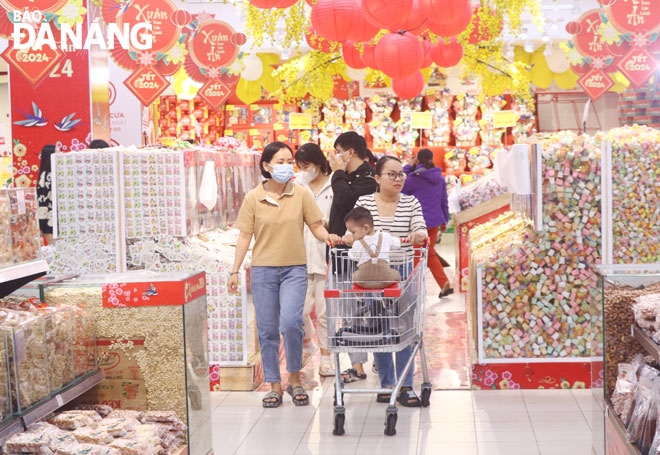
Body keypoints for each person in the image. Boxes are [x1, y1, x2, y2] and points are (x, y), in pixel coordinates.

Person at [228, 142, 340, 408]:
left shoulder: (300, 194)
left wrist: (330, 237)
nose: (287, 166)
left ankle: (295, 379)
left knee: (291, 323)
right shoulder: (253, 198)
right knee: (267, 330)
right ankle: (274, 385)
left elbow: (316, 226)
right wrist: (235, 270)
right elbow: (245, 236)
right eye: (280, 161)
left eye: (289, 161)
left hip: (294, 269)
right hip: (263, 270)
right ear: (266, 166)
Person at [343, 155, 427, 407]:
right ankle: (387, 383)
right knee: (378, 326)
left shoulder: (411, 202)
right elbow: (354, 229)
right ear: (377, 178)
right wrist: (349, 237)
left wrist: (419, 234)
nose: (398, 178)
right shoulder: (365, 201)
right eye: (392, 174)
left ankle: (406, 383)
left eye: (401, 174)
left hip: (402, 272)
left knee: (404, 326)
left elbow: (420, 227)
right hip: (372, 274)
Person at [327, 131, 378, 383]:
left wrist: (337, 173)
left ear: (351, 152)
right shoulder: (346, 177)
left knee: (374, 309)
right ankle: (357, 365)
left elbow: (348, 201)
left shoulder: (368, 178)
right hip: (341, 254)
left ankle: (380, 359)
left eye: (338, 151)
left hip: (363, 257)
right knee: (348, 310)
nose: (336, 157)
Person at [294, 143, 335, 377]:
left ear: (318, 164)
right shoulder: (296, 186)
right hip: (299, 255)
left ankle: (326, 356)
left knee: (324, 311)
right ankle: (307, 340)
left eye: (306, 165)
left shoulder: (333, 185)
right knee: (298, 311)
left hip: (326, 254)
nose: (303, 170)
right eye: (299, 166)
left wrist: (325, 225)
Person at [402, 148, 453, 298]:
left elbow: (400, 186)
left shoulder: (412, 179)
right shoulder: (439, 178)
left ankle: (414, 290)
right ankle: (443, 283)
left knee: (417, 254)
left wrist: (408, 167)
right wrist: (445, 220)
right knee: (429, 253)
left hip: (417, 222)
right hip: (434, 221)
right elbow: (444, 200)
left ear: (417, 160)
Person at [37, 144, 56, 244]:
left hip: (53, 219)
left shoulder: (49, 173)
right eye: (57, 153)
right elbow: (42, 200)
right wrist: (41, 223)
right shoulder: (47, 175)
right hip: (49, 219)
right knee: (54, 249)